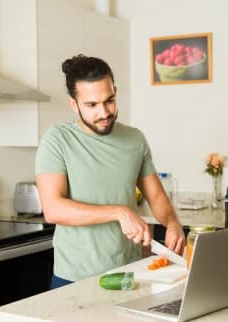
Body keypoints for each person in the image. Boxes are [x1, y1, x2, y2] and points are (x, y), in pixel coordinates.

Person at [35, 54, 185, 289]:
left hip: (130, 274)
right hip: (74, 279)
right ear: (73, 104)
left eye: (109, 100)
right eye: (92, 105)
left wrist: (173, 223)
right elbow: (53, 209)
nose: (104, 112)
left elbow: (156, 197)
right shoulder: (57, 140)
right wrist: (119, 212)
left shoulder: (135, 139)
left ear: (115, 91)